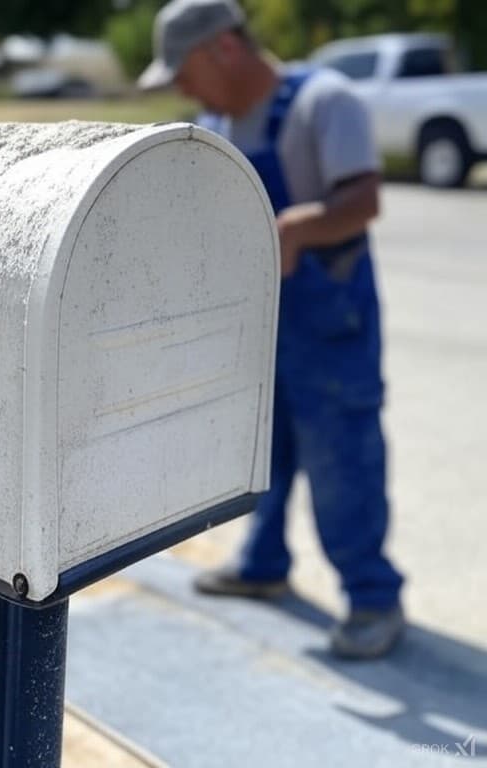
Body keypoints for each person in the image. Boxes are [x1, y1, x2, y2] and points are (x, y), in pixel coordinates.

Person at [139, 0, 405, 659]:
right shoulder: (218, 119)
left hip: (329, 319)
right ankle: (262, 564)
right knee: (262, 446)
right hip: (260, 319)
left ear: (223, 49)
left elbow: (363, 200)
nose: (180, 87)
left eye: (183, 70)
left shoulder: (325, 102)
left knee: (341, 456)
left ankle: (374, 598)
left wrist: (293, 229)